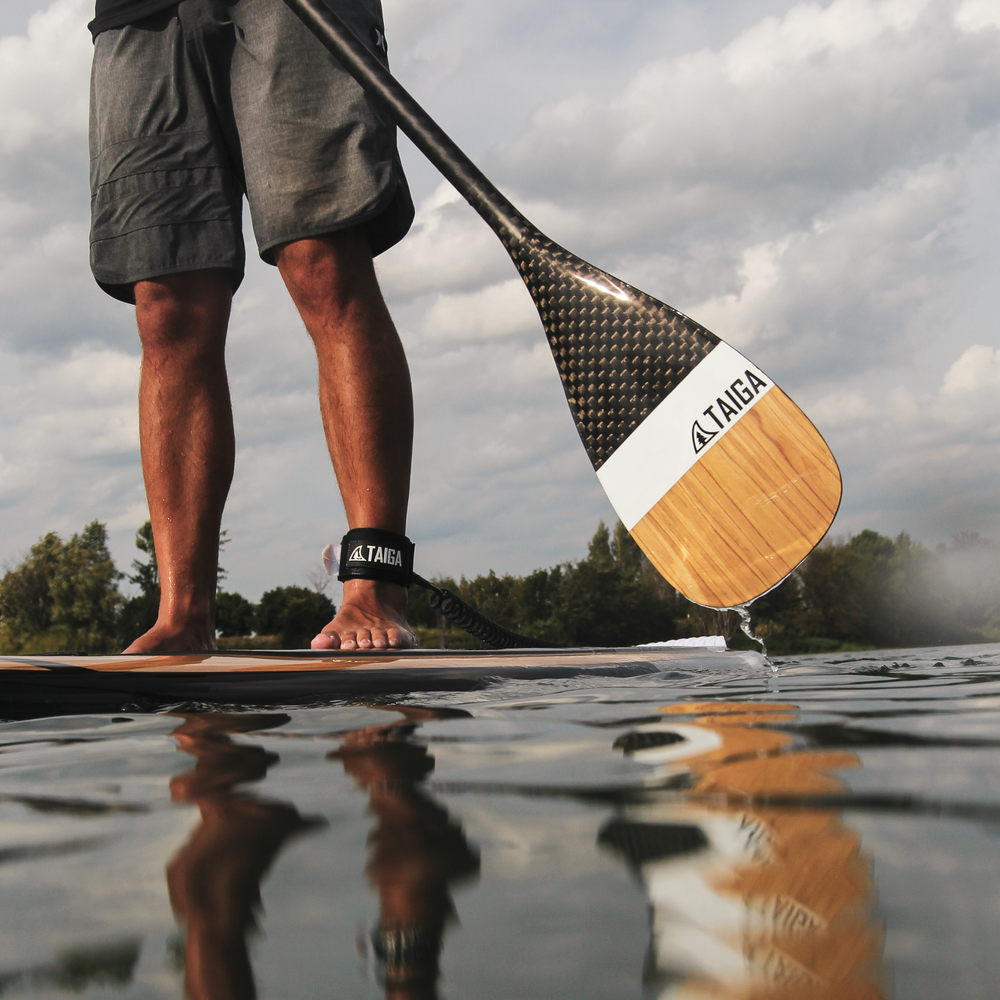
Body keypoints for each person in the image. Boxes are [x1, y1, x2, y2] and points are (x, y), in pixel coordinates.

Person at [88, 0, 418, 652]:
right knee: (165, 301)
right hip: (138, 15)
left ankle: (373, 585)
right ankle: (182, 613)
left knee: (321, 261)